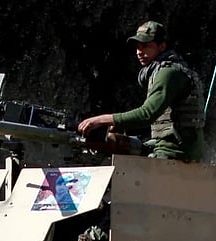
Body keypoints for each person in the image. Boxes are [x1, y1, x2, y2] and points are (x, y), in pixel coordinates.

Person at [78, 21, 205, 162]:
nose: (139, 52)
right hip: (168, 146)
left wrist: (101, 120)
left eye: (146, 46)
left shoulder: (168, 73)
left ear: (161, 46)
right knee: (116, 142)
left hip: (175, 152)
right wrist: (118, 124)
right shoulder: (169, 70)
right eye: (138, 47)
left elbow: (147, 114)